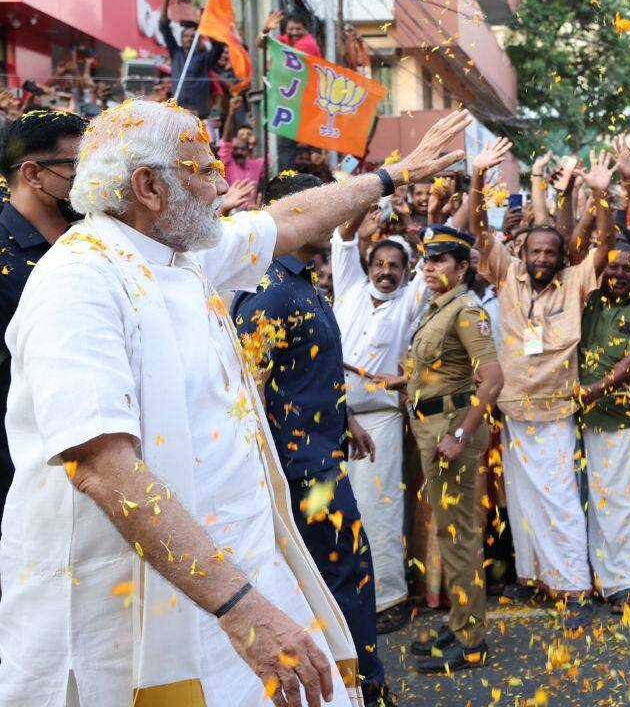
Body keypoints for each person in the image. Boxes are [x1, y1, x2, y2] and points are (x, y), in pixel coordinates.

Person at [0, 99, 470, 704]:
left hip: (229, 584)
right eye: (203, 169)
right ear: (148, 186)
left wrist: (393, 176)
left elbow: (288, 221)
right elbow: (104, 468)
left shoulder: (180, 251)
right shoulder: (78, 280)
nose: (224, 184)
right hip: (137, 608)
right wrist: (240, 606)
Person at [233, 171, 394, 704]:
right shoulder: (270, 292)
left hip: (322, 456)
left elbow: (302, 371)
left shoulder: (301, 281)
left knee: (342, 570)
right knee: (343, 569)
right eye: (319, 207)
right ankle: (362, 687)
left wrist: (344, 419)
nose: (331, 219)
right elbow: (249, 392)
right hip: (304, 473)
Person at [472, 143, 614, 628]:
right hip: (513, 409)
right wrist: (476, 178)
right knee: (524, 499)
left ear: (559, 257)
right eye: (535, 250)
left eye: (550, 251)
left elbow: (605, 244)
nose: (542, 257)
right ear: (523, 253)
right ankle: (538, 579)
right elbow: (476, 230)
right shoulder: (507, 276)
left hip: (554, 411)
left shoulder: (575, 280)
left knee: (558, 501)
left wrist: (601, 198)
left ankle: (576, 588)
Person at [402, 226, 504, 673]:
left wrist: (460, 434)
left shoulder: (466, 310)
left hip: (450, 433)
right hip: (435, 425)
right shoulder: (439, 308)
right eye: (426, 258)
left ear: (463, 268)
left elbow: (494, 379)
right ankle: (460, 619)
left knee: (459, 537)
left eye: (440, 259)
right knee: (448, 534)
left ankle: (472, 640)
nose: (428, 266)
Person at [330, 204, 431, 633]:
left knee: (379, 509)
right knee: (337, 511)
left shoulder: (409, 302)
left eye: (396, 266)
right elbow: (343, 239)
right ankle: (345, 597)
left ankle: (389, 596)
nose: (386, 271)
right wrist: (364, 200)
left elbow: (433, 263)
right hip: (335, 418)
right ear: (367, 265)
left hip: (381, 422)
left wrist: (417, 231)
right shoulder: (349, 287)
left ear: (408, 272)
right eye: (380, 263)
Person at [0, 109, 86, 535]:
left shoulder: (93, 237)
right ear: (34, 173)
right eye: (77, 167)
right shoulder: (4, 258)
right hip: (19, 468)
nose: (91, 180)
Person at [577, 242, 630, 614]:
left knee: (623, 503)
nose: (620, 274)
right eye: (613, 268)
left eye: (628, 268)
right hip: (579, 419)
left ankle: (626, 583)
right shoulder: (588, 304)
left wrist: (594, 390)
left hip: (620, 420)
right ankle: (593, 578)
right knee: (589, 503)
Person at [159, 0, 226, 119]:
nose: (189, 38)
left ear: (197, 40)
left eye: (192, 36)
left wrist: (206, 24)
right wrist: (166, 1)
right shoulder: (176, 53)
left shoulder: (204, 58)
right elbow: (164, 27)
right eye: (186, 36)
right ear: (181, 39)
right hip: (178, 112)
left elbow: (218, 47)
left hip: (199, 114)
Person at [218, 94, 264, 204]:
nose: (239, 152)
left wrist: (259, 124)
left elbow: (270, 150)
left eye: (242, 149)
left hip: (251, 213)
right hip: (229, 212)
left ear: (248, 149)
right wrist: (231, 112)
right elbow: (226, 140)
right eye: (235, 149)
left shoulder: (256, 165)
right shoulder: (226, 163)